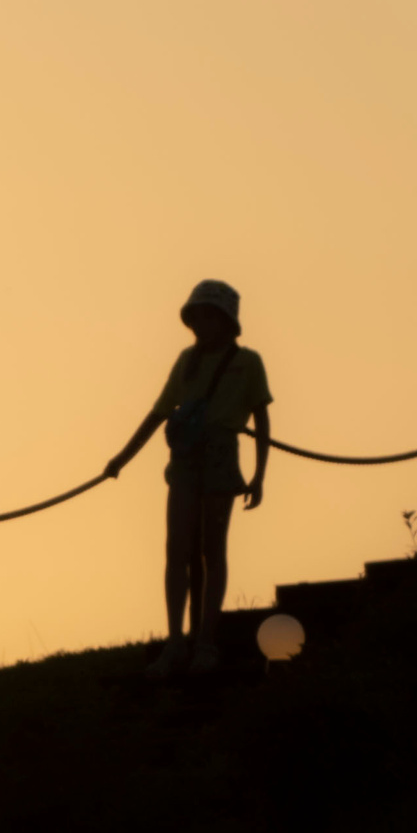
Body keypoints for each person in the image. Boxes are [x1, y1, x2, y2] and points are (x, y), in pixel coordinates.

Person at [104, 278, 274, 677]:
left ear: (224, 321)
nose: (199, 324)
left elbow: (263, 419)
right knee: (176, 550)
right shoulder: (186, 360)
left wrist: (260, 474)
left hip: (220, 457)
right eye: (194, 317)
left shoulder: (247, 362)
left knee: (212, 551)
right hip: (183, 460)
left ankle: (206, 642)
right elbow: (159, 411)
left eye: (206, 316)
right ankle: (175, 643)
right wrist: (121, 458)